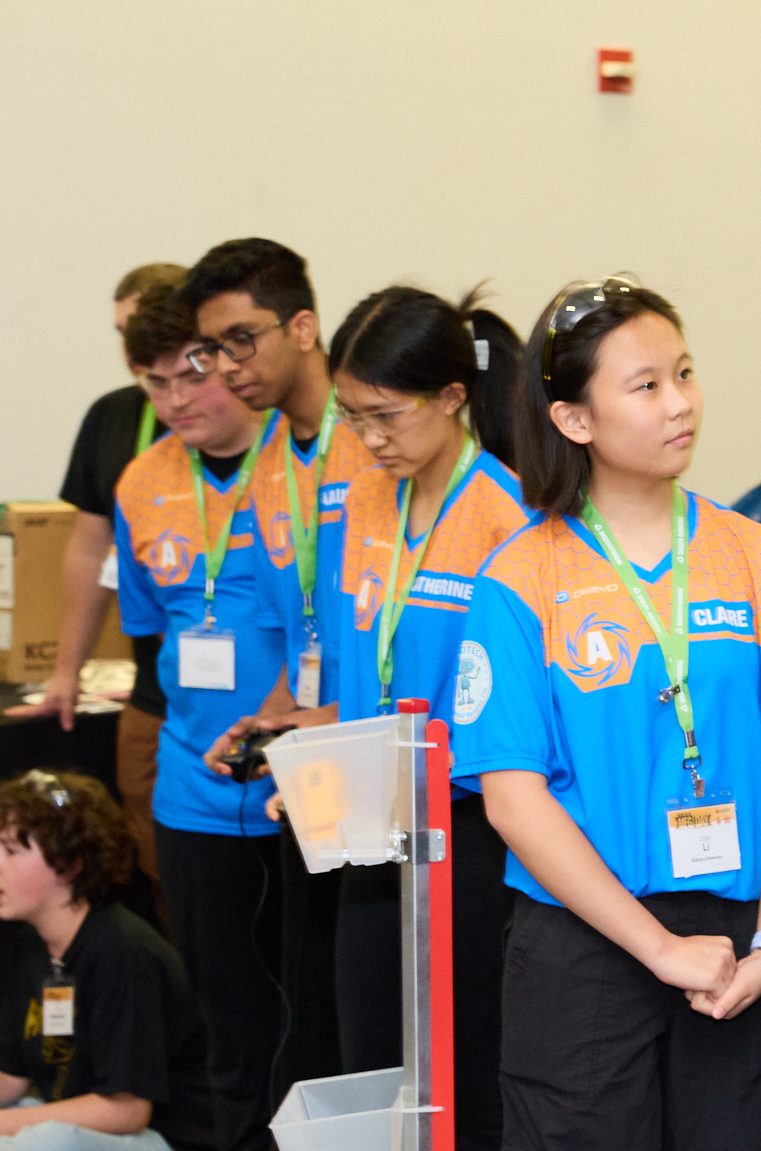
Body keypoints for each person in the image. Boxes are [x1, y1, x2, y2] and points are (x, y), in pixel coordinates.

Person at [453, 276, 761, 1149]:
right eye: (646, 385)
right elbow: (512, 799)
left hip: (736, 942)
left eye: (685, 373)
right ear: (574, 418)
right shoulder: (519, 579)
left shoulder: (758, 557)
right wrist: (658, 947)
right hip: (584, 939)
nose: (681, 403)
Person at [244, 286, 533, 1149]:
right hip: (370, 829)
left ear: (452, 396)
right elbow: (357, 664)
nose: (368, 439)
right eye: (352, 417)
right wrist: (317, 759)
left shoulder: (509, 516)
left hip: (469, 836)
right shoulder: (362, 501)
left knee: (468, 1072)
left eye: (385, 416)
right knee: (373, 1057)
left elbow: (513, 714)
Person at [182, 238, 370, 1101]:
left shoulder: (374, 443)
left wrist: (325, 722)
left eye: (241, 339)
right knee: (311, 1000)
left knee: (376, 1014)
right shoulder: (265, 467)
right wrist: (266, 720)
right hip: (313, 763)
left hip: (385, 759)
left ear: (302, 327)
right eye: (210, 349)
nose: (227, 366)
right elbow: (298, 638)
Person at [110, 286, 284, 1151]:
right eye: (155, 383)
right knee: (225, 1018)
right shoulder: (141, 482)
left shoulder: (305, 465)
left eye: (191, 374)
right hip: (192, 788)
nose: (177, 400)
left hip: (300, 781)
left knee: (305, 1014)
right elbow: (150, 632)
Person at [10, 263, 186, 931]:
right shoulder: (113, 418)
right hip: (153, 694)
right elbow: (88, 551)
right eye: (123, 334)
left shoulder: (248, 422)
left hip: (241, 698)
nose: (135, 351)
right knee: (157, 865)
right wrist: (66, 670)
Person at [0, 770, 212, 1150]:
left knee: (44, 1142)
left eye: (11, 852)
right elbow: (13, 1077)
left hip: (158, 1138)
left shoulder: (123, 951)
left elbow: (126, 1111)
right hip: (75, 1121)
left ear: (70, 864)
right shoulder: (29, 944)